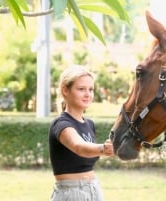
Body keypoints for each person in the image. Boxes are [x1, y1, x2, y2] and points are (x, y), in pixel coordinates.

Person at [48, 65, 114, 201]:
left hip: (94, 189)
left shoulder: (89, 124)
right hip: (71, 193)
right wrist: (102, 148)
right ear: (65, 90)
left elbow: (87, 155)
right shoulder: (61, 124)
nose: (88, 94)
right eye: (81, 89)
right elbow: (79, 147)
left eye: (91, 89)